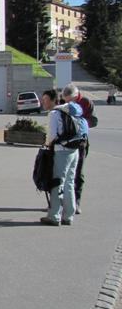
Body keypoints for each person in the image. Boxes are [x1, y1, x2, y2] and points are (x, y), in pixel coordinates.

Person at [39, 89, 81, 226]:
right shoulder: (69, 110)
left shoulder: (54, 114)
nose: (43, 102)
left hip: (61, 151)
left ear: (52, 100)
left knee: (56, 183)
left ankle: (54, 216)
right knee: (69, 182)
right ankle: (68, 215)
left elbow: (51, 136)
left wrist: (46, 145)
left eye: (45, 100)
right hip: (74, 150)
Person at [61, 83, 95, 214]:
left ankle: (76, 202)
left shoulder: (86, 102)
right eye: (65, 101)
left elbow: (93, 120)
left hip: (80, 142)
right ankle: (59, 201)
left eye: (70, 101)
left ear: (76, 97)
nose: (67, 104)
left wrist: (78, 125)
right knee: (61, 172)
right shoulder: (63, 102)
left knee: (78, 172)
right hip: (64, 142)